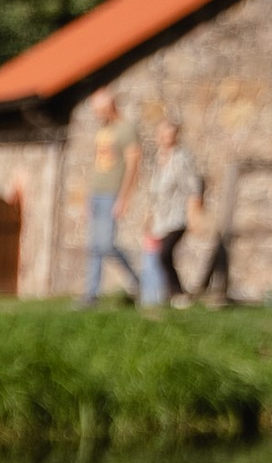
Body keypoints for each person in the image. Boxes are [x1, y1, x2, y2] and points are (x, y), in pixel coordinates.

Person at [79, 93, 140, 303]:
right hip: (96, 195)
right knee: (94, 246)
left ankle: (137, 281)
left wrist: (123, 198)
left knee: (105, 245)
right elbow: (96, 166)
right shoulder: (103, 130)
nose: (97, 115)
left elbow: (133, 165)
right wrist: (88, 197)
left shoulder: (126, 130)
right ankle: (91, 295)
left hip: (112, 195)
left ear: (110, 106)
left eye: (99, 110)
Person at [141, 116, 203, 308]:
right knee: (158, 256)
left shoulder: (182, 158)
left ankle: (178, 294)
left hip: (178, 215)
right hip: (160, 217)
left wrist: (194, 215)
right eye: (161, 134)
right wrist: (148, 215)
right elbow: (154, 193)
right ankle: (162, 295)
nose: (164, 138)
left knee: (164, 254)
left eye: (168, 134)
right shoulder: (157, 159)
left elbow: (194, 187)